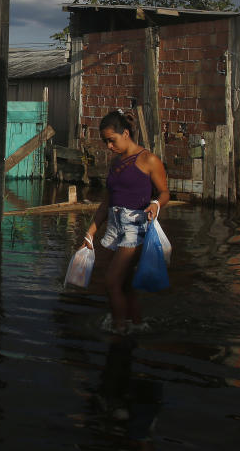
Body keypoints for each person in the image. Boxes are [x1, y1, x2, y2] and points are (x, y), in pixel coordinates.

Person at [81, 110, 169, 335]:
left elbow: (164, 192)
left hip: (135, 227)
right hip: (114, 226)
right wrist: (90, 233)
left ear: (126, 133)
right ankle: (136, 324)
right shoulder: (116, 163)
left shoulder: (149, 160)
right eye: (105, 142)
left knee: (112, 281)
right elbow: (107, 201)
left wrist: (156, 205)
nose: (108, 146)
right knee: (125, 283)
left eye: (111, 140)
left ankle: (119, 330)